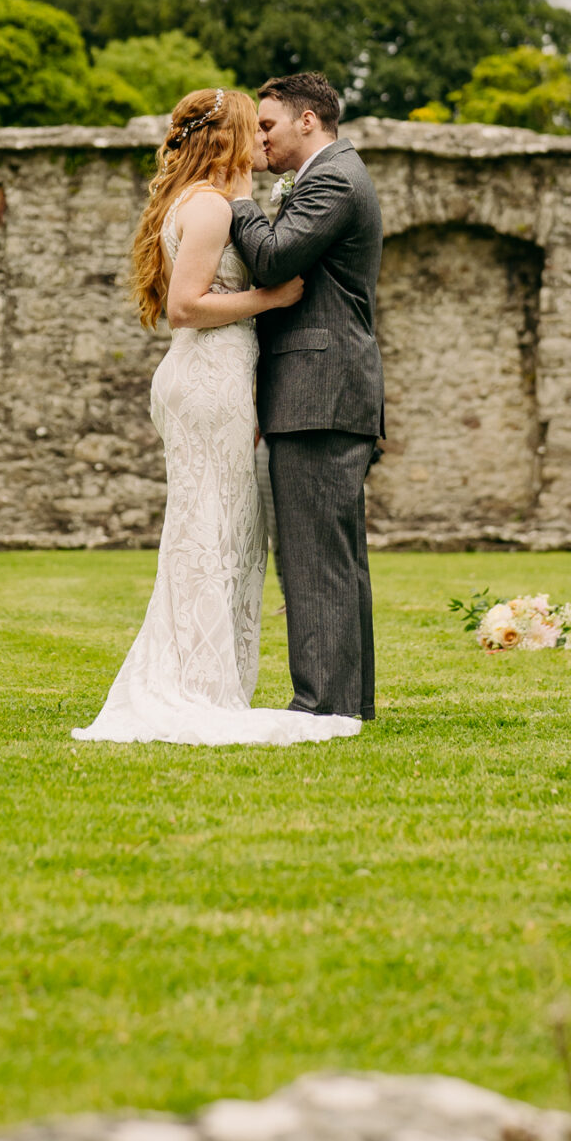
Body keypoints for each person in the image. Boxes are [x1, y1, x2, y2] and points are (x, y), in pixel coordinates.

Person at [73, 86, 363, 746]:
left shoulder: (213, 202)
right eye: (253, 129)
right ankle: (193, 687)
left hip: (223, 377)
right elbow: (184, 308)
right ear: (228, 138)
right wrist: (270, 295)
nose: (263, 140)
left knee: (227, 529)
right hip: (205, 378)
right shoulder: (206, 206)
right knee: (210, 529)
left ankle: (211, 680)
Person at [228, 73, 384, 722]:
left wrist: (238, 200)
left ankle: (320, 705)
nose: (258, 138)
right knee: (331, 555)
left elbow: (273, 261)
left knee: (314, 556)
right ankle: (345, 701)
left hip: (319, 392)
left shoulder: (332, 179)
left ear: (308, 122)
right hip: (321, 389)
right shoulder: (330, 174)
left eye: (267, 125)